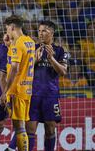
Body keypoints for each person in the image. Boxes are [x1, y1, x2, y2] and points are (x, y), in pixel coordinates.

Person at [26, 21, 68, 151]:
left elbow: (63, 71)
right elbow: (23, 70)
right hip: (32, 95)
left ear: (52, 33)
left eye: (44, 30)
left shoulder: (60, 50)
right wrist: (35, 60)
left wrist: (51, 59)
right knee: (30, 130)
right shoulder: (32, 48)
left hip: (50, 95)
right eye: (39, 31)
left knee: (50, 129)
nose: (40, 33)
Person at [0, 15, 35, 151]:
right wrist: (9, 45)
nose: (7, 32)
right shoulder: (30, 41)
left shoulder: (18, 43)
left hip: (16, 90)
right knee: (21, 126)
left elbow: (14, 68)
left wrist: (5, 92)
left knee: (19, 127)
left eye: (7, 28)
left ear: (12, 27)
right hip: (27, 89)